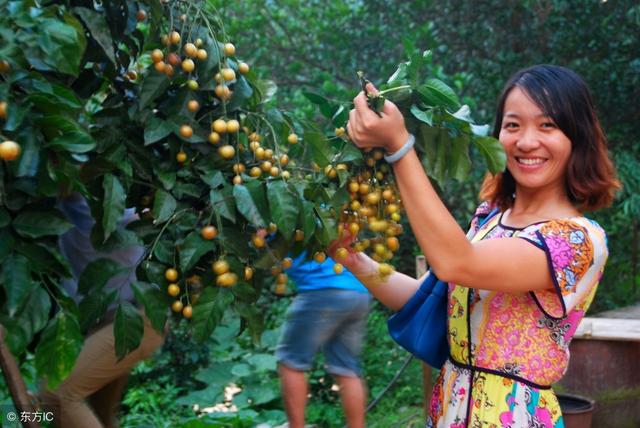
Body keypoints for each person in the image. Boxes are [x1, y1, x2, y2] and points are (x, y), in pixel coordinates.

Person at [340, 65, 619, 427]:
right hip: (448, 410)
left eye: (547, 125)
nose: (526, 141)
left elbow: (457, 263)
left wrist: (399, 146)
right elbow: (437, 303)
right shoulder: (489, 220)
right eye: (513, 125)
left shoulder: (576, 241)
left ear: (576, 138)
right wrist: (352, 259)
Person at [39, 193, 165, 428]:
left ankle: (17, 417)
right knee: (95, 413)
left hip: (135, 319)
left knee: (57, 396)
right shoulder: (56, 188)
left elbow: (145, 215)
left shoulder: (108, 195)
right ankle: (16, 417)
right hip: (97, 323)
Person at [276, 252, 371, 428]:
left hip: (321, 290)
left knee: (290, 362)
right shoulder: (326, 223)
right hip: (357, 290)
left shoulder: (276, 223)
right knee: (347, 367)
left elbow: (258, 239)